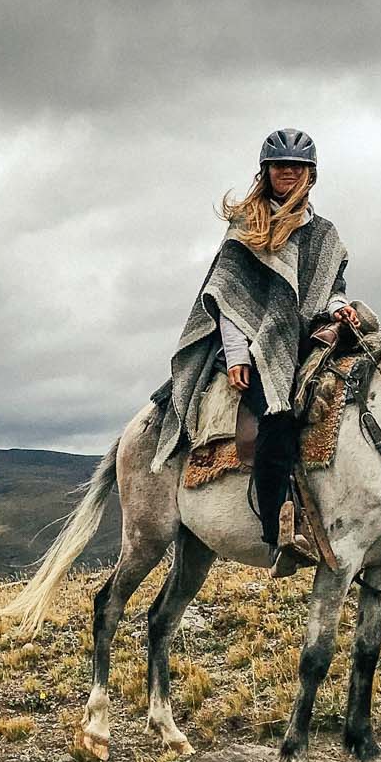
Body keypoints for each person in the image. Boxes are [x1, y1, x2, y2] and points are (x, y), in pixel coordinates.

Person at [152, 128, 361, 560]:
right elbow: (228, 300)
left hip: (308, 338)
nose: (289, 172)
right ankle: (278, 532)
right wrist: (236, 355)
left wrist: (339, 306)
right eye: (281, 165)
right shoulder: (246, 227)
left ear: (311, 174)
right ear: (266, 172)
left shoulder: (324, 234)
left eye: (298, 166)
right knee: (277, 417)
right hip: (257, 348)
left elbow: (332, 287)